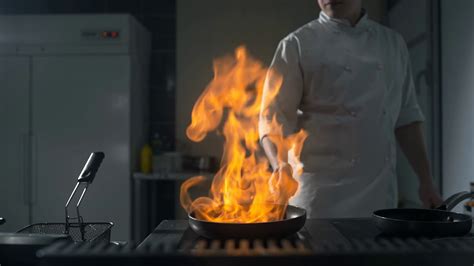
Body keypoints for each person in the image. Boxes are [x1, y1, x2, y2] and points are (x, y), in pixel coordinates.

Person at [259, 0, 443, 218]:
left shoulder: (393, 44)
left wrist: (426, 180)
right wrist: (280, 165)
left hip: (378, 198)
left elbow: (406, 118)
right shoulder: (296, 44)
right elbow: (273, 118)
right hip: (318, 200)